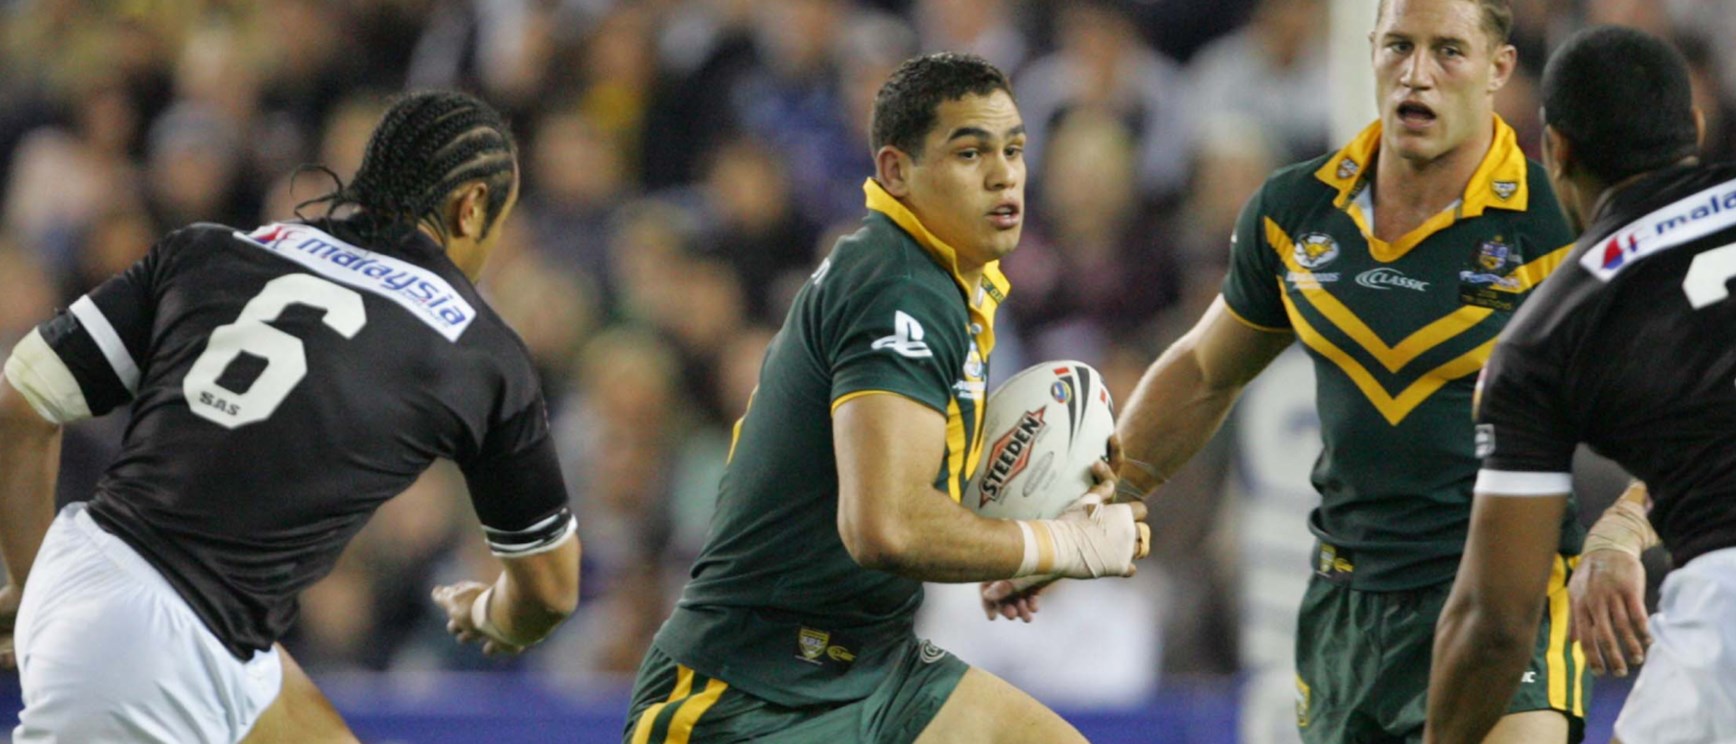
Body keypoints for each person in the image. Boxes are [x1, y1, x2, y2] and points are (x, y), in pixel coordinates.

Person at [0, 90, 581, 743]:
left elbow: (21, 400)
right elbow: (551, 593)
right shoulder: (483, 355)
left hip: (135, 593)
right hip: (156, 655)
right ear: (471, 207)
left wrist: (33, 586)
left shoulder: (211, 249)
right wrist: (493, 615)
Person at [621, 52, 1148, 744]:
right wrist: (1060, 545)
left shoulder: (942, 284)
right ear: (896, 172)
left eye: (1015, 150)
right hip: (748, 690)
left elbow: (910, 487)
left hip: (870, 662)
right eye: (970, 152)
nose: (1004, 175)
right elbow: (885, 525)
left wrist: (1032, 528)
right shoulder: (896, 284)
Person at [1113, 0, 1592, 741]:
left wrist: (1624, 534)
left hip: (1503, 600)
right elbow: (1205, 372)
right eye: (1398, 46)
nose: (1417, 74)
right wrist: (1096, 508)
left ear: (1499, 68)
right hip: (1347, 607)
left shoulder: (1558, 225)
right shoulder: (1296, 209)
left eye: (1448, 51)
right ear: (1370, 50)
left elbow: (1677, 405)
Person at [1428, 26, 1733, 744]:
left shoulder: (1547, 333)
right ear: (1694, 126)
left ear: (1555, 149)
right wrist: (1628, 522)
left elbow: (1496, 623)